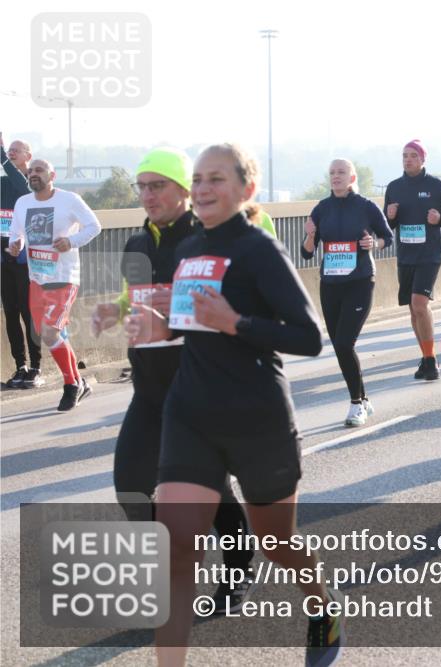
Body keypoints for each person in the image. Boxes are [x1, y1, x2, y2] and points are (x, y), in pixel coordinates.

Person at [125, 143, 340, 667]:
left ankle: (320, 605)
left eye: (215, 179)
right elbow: (185, 322)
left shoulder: (259, 250)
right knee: (177, 551)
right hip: (191, 414)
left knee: (277, 545)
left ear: (247, 189)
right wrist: (153, 325)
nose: (201, 189)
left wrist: (236, 323)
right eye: (197, 179)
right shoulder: (187, 250)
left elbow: (310, 337)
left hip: (257, 416)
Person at [91, 147, 256, 614]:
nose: (147, 195)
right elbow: (133, 298)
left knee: (212, 488)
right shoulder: (137, 244)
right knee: (130, 486)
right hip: (149, 388)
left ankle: (238, 570)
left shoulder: (211, 242)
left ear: (186, 189)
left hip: (201, 387)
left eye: (157, 185)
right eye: (141, 186)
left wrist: (175, 323)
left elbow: (236, 310)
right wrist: (115, 310)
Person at [302, 158, 393, 426]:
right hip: (330, 284)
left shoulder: (366, 207)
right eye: (332, 173)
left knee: (344, 343)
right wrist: (309, 234)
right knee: (340, 347)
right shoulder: (321, 208)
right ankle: (363, 398)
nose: (336, 176)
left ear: (352, 178)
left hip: (360, 281)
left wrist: (372, 243)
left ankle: (356, 406)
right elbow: (306, 253)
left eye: (341, 172)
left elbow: (387, 238)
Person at [9, 158, 101, 411]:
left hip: (64, 277)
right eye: (30, 172)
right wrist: (15, 244)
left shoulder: (68, 200)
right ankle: (79, 382)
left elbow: (95, 226)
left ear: (52, 175)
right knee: (51, 335)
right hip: (37, 278)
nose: (33, 174)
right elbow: (15, 234)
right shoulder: (22, 203)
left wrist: (71, 241)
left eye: (38, 170)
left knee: (49, 332)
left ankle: (71, 384)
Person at [384, 140, 441, 381]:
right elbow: (389, 223)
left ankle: (430, 360)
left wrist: (439, 219)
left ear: (422, 160)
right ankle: (427, 357)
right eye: (405, 156)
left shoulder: (435, 185)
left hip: (429, 254)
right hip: (406, 255)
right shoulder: (394, 187)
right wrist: (391, 216)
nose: (408, 160)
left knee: (420, 304)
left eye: (413, 156)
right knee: (412, 308)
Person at [0, 134, 42, 388]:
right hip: (4, 257)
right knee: (11, 313)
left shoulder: (33, 181)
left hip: (28, 260)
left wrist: (4, 158)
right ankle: (20, 365)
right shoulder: (4, 182)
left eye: (17, 150)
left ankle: (36, 366)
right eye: (9, 150)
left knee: (29, 314)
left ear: (28, 156)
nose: (11, 152)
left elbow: (23, 190)